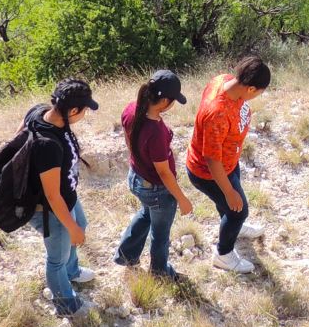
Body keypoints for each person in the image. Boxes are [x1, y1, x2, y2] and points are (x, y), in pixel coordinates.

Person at [186, 55, 271, 274]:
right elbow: (212, 160)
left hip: (229, 163)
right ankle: (223, 255)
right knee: (237, 210)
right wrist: (228, 190)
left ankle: (234, 228)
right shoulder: (218, 113)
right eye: (260, 92)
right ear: (251, 89)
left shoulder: (223, 80)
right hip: (209, 173)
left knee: (231, 209)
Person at [24, 78, 98, 316]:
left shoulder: (41, 111)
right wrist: (72, 227)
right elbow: (52, 195)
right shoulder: (48, 145)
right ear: (73, 110)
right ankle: (66, 304)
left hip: (67, 196)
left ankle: (72, 272)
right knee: (57, 257)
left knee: (81, 224)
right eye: (85, 109)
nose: (85, 114)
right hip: (48, 209)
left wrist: (77, 225)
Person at [114, 70, 192, 279]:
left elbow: (128, 141)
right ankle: (159, 272)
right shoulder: (155, 131)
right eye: (174, 100)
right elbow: (164, 173)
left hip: (136, 178)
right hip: (157, 189)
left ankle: (126, 255)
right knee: (160, 233)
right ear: (164, 101)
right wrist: (182, 199)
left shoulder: (131, 109)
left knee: (146, 213)